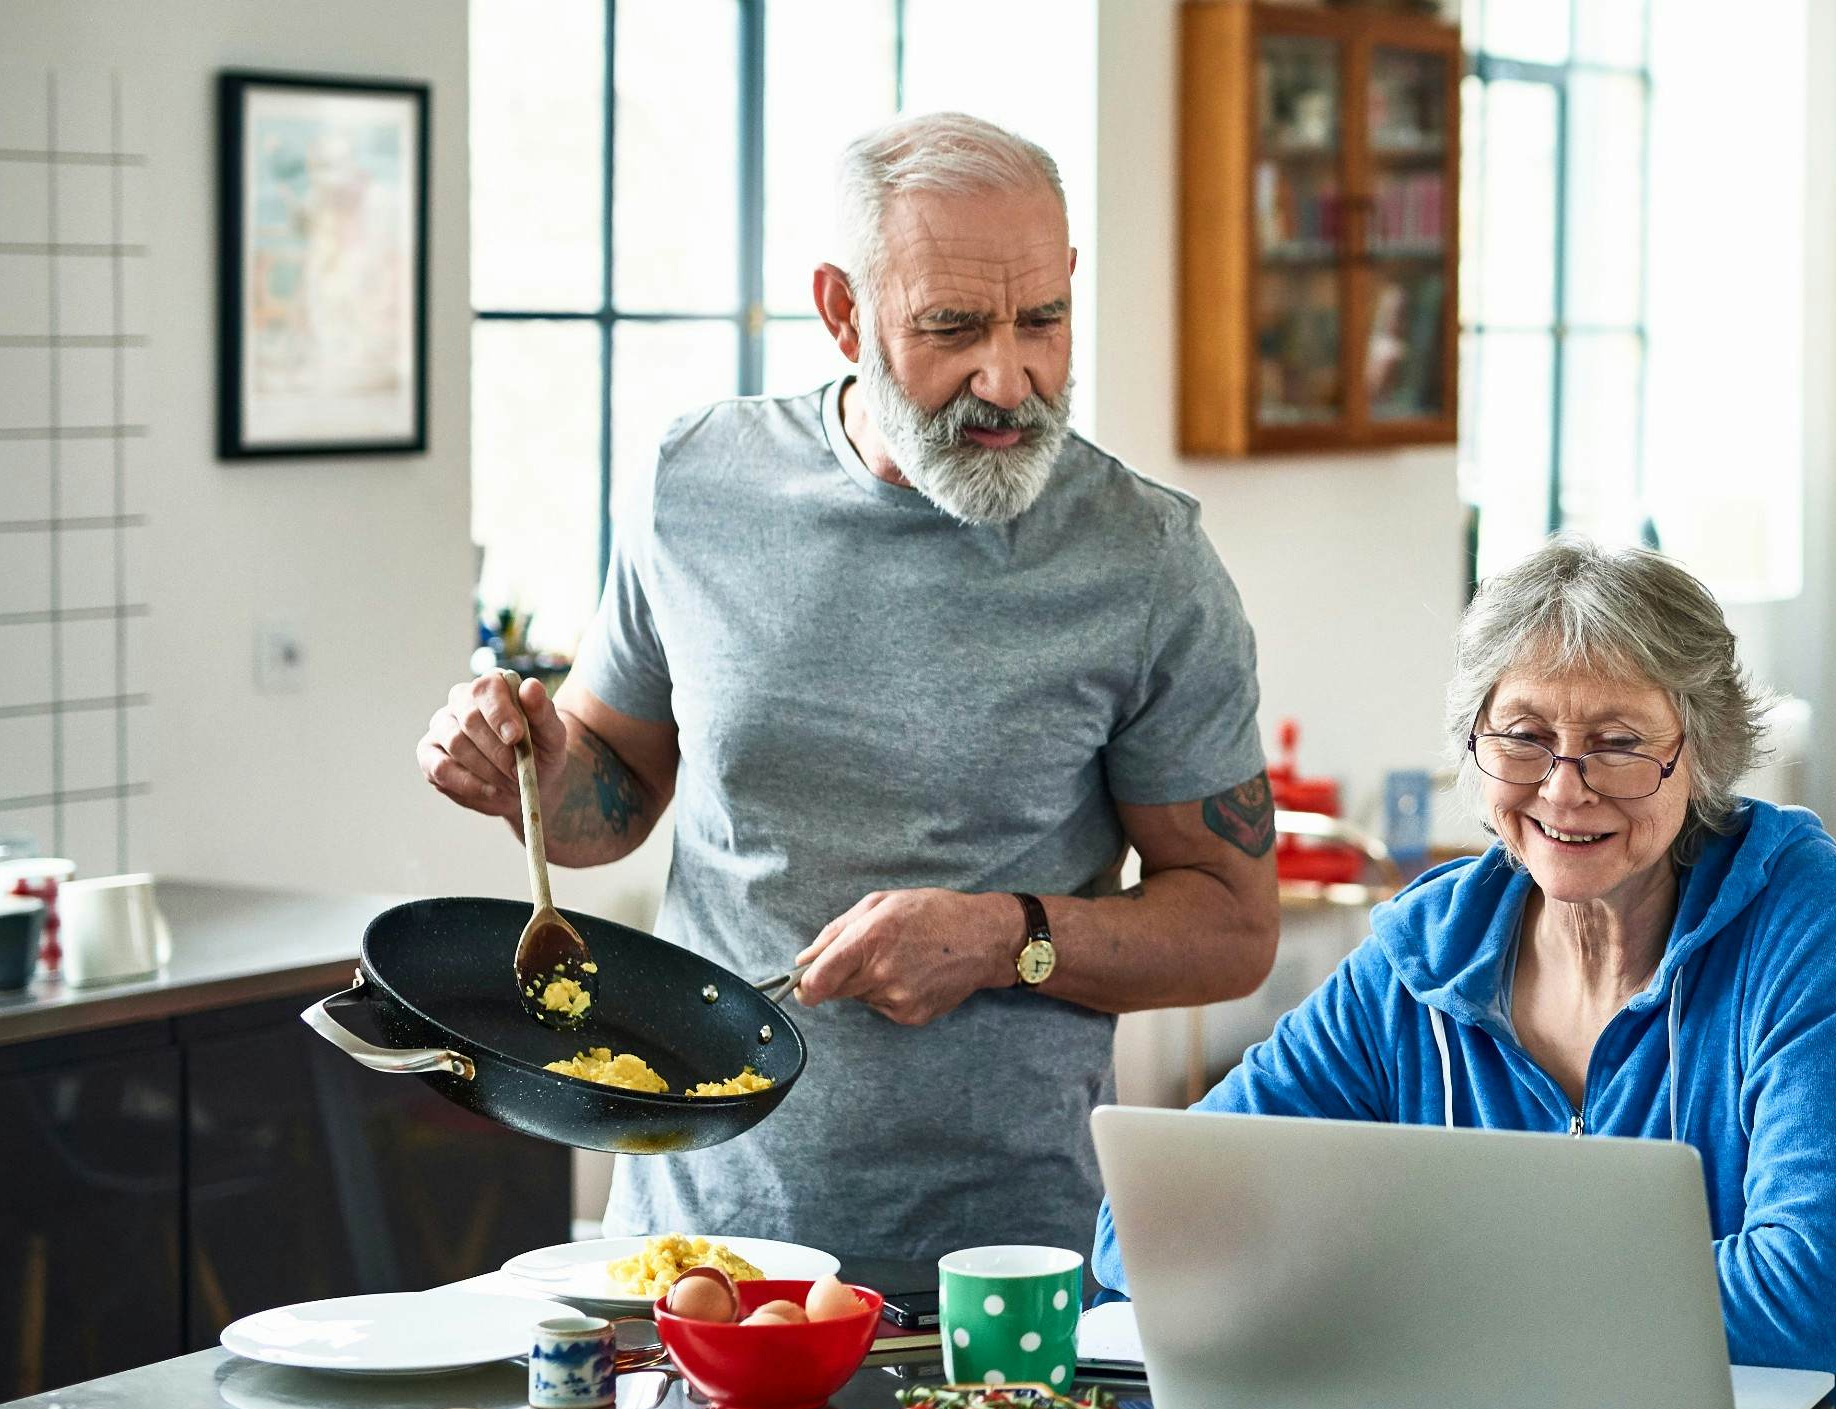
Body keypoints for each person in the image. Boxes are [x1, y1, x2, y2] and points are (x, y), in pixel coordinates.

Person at [419, 112, 1277, 1260]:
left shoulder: (1147, 562)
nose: (1007, 377)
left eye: (1044, 320)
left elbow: (1231, 926)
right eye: (952, 327)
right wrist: (524, 768)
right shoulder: (697, 482)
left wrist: (1003, 936)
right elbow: (609, 798)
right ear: (841, 311)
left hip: (999, 1265)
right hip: (692, 1242)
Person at [1094, 536, 1836, 1382]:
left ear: (1702, 754)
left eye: (1620, 742)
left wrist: (1426, 1289)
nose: (1563, 786)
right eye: (1523, 734)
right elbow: (1143, 1226)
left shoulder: (1795, 909)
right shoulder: (1423, 956)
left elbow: (1819, 1297)